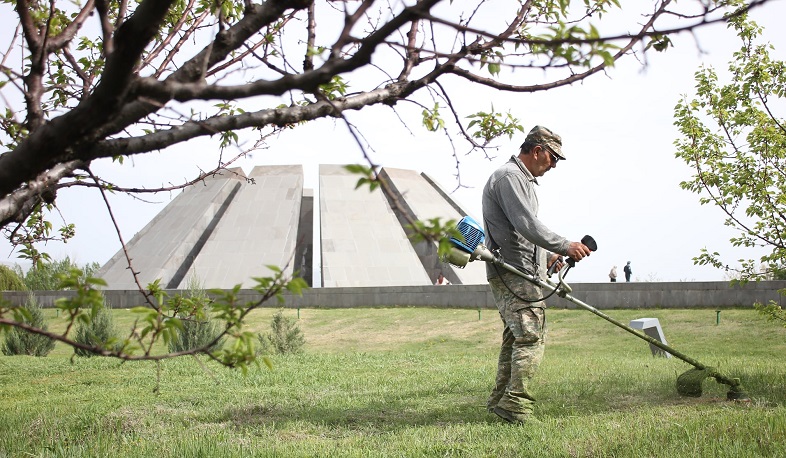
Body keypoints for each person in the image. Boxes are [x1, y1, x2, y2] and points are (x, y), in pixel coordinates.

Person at [482, 125, 592, 424]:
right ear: (537, 150)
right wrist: (565, 245)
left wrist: (548, 256)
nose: (554, 165)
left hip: (520, 268)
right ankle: (516, 405)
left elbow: (521, 231)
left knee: (516, 338)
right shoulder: (509, 177)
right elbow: (526, 224)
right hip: (514, 271)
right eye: (553, 158)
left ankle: (500, 401)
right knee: (531, 337)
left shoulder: (520, 179)